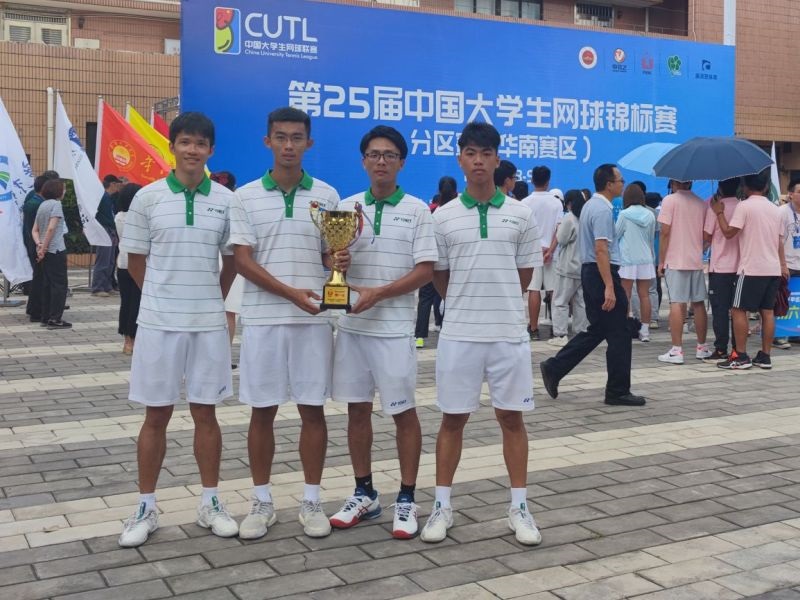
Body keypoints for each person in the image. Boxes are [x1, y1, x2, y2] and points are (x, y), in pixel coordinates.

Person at [117, 112, 239, 548]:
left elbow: (231, 262)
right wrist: (161, 295)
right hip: (158, 324)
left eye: (201, 143)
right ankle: (146, 507)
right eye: (185, 142)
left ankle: (210, 502)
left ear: (210, 150)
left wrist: (208, 297)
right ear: (172, 147)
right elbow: (135, 260)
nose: (193, 150)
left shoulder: (226, 200)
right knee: (156, 415)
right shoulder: (147, 198)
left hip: (207, 325)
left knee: (207, 413)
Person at [420, 122, 543, 546]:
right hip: (460, 333)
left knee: (511, 418)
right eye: (470, 153)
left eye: (486, 153)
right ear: (460, 158)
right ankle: (442, 506)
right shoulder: (443, 217)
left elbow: (523, 275)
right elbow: (439, 277)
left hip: (508, 333)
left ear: (497, 159)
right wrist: (466, 302)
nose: (478, 161)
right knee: (452, 419)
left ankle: (519, 507)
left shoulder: (521, 214)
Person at [229, 107, 343, 540]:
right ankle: (262, 501)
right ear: (268, 142)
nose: (289, 145)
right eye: (281, 137)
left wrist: (338, 259)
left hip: (313, 321)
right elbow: (242, 261)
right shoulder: (245, 197)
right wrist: (291, 293)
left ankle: (311, 500)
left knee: (313, 411)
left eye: (297, 137)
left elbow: (328, 255)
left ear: (309, 143)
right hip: (264, 320)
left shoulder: (328, 196)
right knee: (262, 412)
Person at [328, 126, 437, 539]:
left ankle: (406, 497)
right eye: (374, 154)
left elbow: (425, 271)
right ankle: (365, 493)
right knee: (357, 411)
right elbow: (330, 260)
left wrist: (380, 293)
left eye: (389, 155)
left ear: (401, 163)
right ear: (363, 161)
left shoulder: (417, 210)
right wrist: (335, 261)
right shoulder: (345, 207)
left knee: (402, 412)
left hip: (393, 330)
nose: (381, 161)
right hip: (352, 326)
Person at [539, 164, 646, 407]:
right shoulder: (601, 210)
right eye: (620, 180)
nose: (623, 184)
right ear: (609, 184)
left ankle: (555, 367)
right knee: (619, 332)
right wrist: (609, 286)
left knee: (598, 330)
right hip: (600, 274)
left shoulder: (590, 206)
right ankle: (617, 390)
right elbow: (601, 249)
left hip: (592, 273)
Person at [711, 171, 788, 369]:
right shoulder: (775, 209)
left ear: (745, 187)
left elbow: (729, 233)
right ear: (766, 187)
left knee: (738, 309)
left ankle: (741, 356)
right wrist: (783, 265)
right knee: (767, 312)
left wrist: (719, 212)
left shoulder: (744, 206)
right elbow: (779, 241)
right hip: (772, 268)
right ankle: (765, 356)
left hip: (751, 268)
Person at [657, 180, 712, 364]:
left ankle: (676, 350)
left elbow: (665, 232)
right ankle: (702, 347)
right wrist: (699, 249)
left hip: (675, 259)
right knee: (698, 303)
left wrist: (661, 260)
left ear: (674, 182)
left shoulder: (669, 201)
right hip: (695, 260)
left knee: (677, 303)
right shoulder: (701, 203)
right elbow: (707, 236)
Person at [521, 166, 563, 340]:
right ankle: (557, 327)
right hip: (552, 253)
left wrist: (537, 248)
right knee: (553, 291)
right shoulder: (556, 203)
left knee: (534, 290)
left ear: (532, 180)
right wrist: (550, 250)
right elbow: (559, 229)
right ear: (548, 181)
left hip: (532, 252)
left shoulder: (525, 203)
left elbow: (524, 230)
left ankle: (533, 328)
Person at [702, 178, 741, 361]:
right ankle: (737, 348)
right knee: (738, 310)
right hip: (740, 266)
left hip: (720, 267)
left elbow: (707, 235)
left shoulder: (716, 207)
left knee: (720, 310)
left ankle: (720, 349)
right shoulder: (742, 206)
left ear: (720, 187)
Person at [415, 177, 456, 346]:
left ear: (439, 191)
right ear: (456, 193)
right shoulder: (458, 213)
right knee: (448, 296)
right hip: (451, 262)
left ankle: (419, 337)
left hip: (431, 260)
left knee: (425, 298)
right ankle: (445, 327)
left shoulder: (432, 212)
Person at [210, 170, 244, 363]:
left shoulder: (205, 200)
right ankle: (224, 356)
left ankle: (210, 356)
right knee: (229, 311)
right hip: (232, 257)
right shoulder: (237, 201)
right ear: (234, 187)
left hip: (210, 257)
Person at [616, 184, 656, 342]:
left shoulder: (624, 214)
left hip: (627, 259)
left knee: (625, 294)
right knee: (644, 295)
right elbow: (650, 238)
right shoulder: (650, 215)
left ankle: (626, 328)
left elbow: (616, 234)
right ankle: (645, 331)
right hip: (646, 259)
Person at [548, 190, 588, 347]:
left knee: (560, 301)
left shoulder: (569, 218)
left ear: (569, 203)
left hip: (567, 266)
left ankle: (560, 335)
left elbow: (561, 239)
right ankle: (580, 333)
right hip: (583, 266)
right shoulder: (585, 217)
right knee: (581, 302)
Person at [32, 179, 70, 330]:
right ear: (58, 191)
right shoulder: (56, 205)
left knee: (48, 284)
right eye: (63, 189)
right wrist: (45, 247)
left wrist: (39, 245)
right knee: (59, 285)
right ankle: (55, 319)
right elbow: (51, 228)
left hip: (45, 250)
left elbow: (35, 230)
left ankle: (46, 317)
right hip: (56, 250)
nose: (65, 191)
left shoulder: (42, 205)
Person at [23, 170, 59, 323]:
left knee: (38, 278)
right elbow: (45, 228)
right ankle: (38, 311)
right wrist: (42, 247)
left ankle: (33, 309)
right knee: (41, 280)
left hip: (32, 243)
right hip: (39, 245)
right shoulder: (40, 204)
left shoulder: (32, 200)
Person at [115, 183, 143, 354]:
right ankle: (134, 339)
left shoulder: (118, 217)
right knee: (137, 303)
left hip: (123, 263)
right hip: (139, 264)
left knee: (126, 302)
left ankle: (127, 341)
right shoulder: (139, 218)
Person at [774, 177, 800, 347]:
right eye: (799, 192)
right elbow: (777, 239)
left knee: (797, 300)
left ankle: (794, 333)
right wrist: (782, 264)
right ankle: (778, 335)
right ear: (790, 194)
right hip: (786, 263)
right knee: (782, 299)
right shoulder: (782, 212)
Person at [91, 174, 122, 297]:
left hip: (110, 230)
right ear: (112, 184)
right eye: (117, 184)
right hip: (104, 230)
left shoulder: (108, 197)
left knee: (110, 261)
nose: (118, 187)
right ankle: (98, 287)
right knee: (103, 260)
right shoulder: (102, 197)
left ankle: (107, 286)